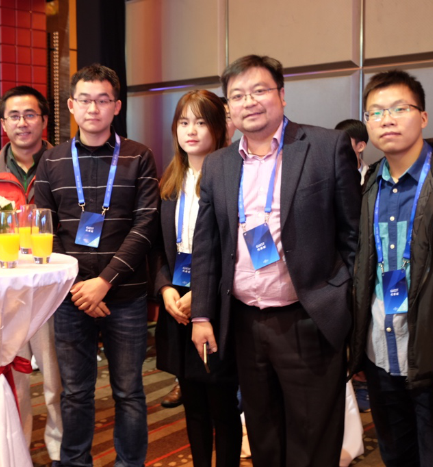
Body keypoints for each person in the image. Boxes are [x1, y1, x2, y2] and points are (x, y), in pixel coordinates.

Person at [190, 54, 361, 467]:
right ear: (228, 107)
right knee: (264, 433)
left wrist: (342, 304)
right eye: (237, 95)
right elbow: (207, 246)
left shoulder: (324, 147)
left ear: (282, 95)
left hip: (307, 317)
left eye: (259, 90)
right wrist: (202, 315)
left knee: (313, 438)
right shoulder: (218, 164)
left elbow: (353, 236)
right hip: (245, 322)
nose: (248, 102)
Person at [350, 70, 433, 467]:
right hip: (381, 356)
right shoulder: (369, 184)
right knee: (397, 457)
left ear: (422, 117)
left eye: (399, 108)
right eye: (375, 112)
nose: (386, 119)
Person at [34, 64, 160, 466]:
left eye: (103, 100)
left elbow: (145, 225)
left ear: (116, 106)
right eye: (85, 100)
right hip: (70, 298)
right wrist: (77, 286)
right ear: (71, 105)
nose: (93, 108)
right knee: (75, 392)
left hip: (125, 296)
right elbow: (43, 228)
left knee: (129, 391)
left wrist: (103, 283)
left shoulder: (139, 156)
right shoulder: (52, 160)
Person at [0, 85, 62, 464]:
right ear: (3, 123)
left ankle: (59, 449)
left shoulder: (63, 162)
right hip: (6, 292)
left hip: (52, 289)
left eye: (30, 115)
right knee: (16, 376)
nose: (22, 123)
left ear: (44, 120)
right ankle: (18, 449)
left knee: (57, 379)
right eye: (14, 116)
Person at [155, 89, 241, 466]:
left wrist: (203, 295)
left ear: (219, 128)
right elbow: (160, 249)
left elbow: (237, 250)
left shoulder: (233, 177)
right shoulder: (170, 181)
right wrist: (165, 289)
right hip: (178, 298)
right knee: (192, 403)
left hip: (219, 300)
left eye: (201, 122)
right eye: (184, 122)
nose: (190, 131)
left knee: (222, 402)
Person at [335, 119, 370, 184]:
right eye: (336, 140)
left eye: (344, 140)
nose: (338, 145)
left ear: (360, 146)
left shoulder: (372, 177)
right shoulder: (328, 175)